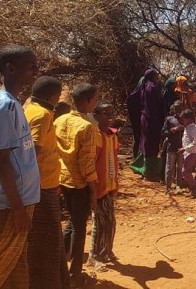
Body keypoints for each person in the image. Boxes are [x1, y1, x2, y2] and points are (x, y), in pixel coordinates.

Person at [0, 44, 40, 288]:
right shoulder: (5, 105)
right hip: (8, 205)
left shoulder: (13, 103)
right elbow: (1, 161)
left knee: (14, 274)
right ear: (10, 68)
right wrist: (18, 208)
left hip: (16, 203)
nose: (36, 71)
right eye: (31, 66)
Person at [24, 75, 69, 288]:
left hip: (44, 186)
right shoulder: (41, 115)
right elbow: (32, 153)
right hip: (41, 189)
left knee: (50, 240)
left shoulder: (30, 109)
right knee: (47, 243)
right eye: (59, 96)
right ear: (52, 96)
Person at [55, 83, 99, 287]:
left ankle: (59, 267)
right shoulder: (87, 127)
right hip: (79, 183)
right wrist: (93, 190)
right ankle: (74, 274)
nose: (96, 102)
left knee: (73, 221)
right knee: (80, 228)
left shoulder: (60, 120)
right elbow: (86, 163)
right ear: (88, 101)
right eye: (95, 99)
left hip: (62, 178)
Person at [88, 102, 119, 269]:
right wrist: (92, 189)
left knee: (110, 222)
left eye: (111, 114)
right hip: (97, 187)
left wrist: (115, 184)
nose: (110, 117)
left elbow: (113, 160)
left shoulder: (112, 136)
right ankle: (93, 255)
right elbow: (91, 163)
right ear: (96, 116)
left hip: (109, 185)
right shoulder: (95, 136)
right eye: (106, 114)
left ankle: (107, 250)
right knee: (99, 222)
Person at [129, 69, 166, 182]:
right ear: (152, 76)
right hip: (151, 119)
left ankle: (142, 169)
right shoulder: (152, 88)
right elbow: (153, 106)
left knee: (144, 143)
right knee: (151, 144)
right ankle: (149, 173)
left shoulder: (143, 86)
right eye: (156, 76)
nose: (157, 78)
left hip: (144, 118)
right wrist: (158, 119)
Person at [163, 101, 184, 195]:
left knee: (180, 168)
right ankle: (168, 187)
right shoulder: (169, 119)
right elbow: (163, 132)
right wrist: (173, 130)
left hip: (182, 148)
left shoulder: (185, 120)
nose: (178, 110)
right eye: (176, 108)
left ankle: (178, 185)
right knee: (169, 168)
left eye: (179, 108)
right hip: (171, 147)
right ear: (173, 109)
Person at [179, 109, 196, 197]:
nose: (182, 121)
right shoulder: (187, 127)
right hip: (187, 152)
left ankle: (195, 188)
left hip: (191, 152)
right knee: (186, 171)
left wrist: (185, 148)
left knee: (185, 172)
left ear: (189, 119)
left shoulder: (194, 128)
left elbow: (195, 142)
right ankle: (192, 188)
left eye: (184, 119)